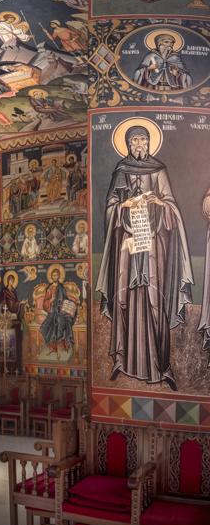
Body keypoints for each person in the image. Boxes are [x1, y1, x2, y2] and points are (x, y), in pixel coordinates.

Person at [96, 124, 193, 390]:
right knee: (125, 299)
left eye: (143, 139)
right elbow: (111, 208)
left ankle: (163, 366)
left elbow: (171, 205)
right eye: (135, 140)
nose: (139, 144)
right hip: (128, 247)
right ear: (128, 144)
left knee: (155, 302)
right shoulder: (121, 170)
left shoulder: (159, 170)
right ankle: (121, 359)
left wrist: (157, 204)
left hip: (153, 248)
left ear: (150, 143)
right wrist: (124, 206)